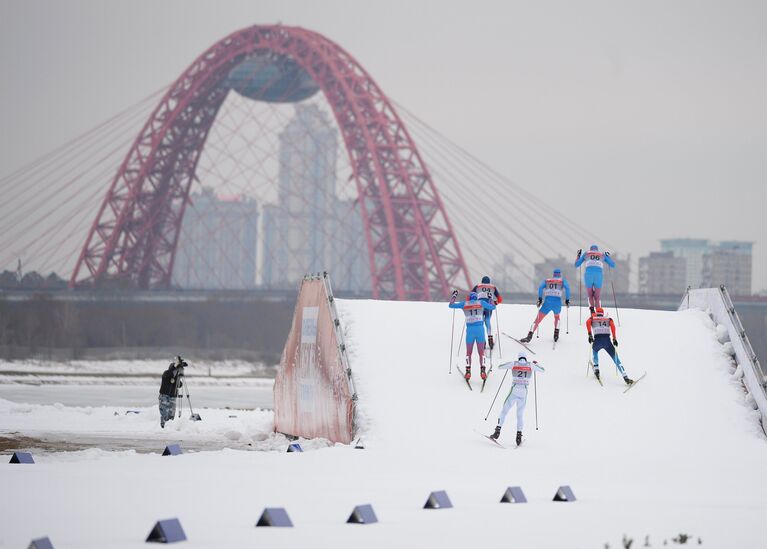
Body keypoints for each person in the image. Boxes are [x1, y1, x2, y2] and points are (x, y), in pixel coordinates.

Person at [490, 351, 544, 446]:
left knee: (504, 411)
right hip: (523, 392)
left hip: (514, 391)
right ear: (525, 358)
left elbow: (500, 366)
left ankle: (497, 431)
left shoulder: (514, 363)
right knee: (520, 414)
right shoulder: (530, 365)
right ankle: (518, 436)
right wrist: (537, 364)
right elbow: (542, 370)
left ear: (519, 358)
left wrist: (510, 365)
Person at [449, 290, 496, 380]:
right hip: (480, 330)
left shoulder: (464, 304)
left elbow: (451, 305)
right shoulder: (481, 302)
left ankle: (468, 372)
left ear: (469, 298)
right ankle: (483, 371)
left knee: (468, 353)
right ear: (476, 297)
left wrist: (454, 296)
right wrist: (490, 299)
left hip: (470, 330)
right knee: (481, 353)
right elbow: (493, 307)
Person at [520, 268, 571, 343]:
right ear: (560, 274)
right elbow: (567, 289)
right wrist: (567, 300)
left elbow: (540, 288)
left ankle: (529, 336)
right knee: (557, 317)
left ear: (553, 274)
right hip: (557, 303)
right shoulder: (562, 281)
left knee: (538, 319)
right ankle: (556, 334)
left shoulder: (547, 280)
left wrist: (540, 299)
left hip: (547, 302)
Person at [586, 308, 633, 385]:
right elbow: (613, 326)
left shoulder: (592, 318)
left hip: (597, 340)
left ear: (596, 313)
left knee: (595, 351)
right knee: (616, 359)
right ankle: (625, 376)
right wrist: (614, 338)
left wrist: (589, 334)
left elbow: (587, 322)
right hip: (607, 341)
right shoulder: (608, 318)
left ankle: (596, 368)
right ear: (603, 313)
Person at [574, 244, 616, 313]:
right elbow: (612, 265)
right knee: (597, 296)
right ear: (597, 249)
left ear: (591, 249)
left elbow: (576, 264)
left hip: (588, 275)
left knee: (590, 295)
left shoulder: (586, 254)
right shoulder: (602, 254)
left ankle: (592, 311)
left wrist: (578, 256)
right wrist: (608, 256)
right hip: (598, 276)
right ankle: (599, 312)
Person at [471, 276, 503, 349]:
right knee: (487, 321)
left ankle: (483, 341)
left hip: (479, 306)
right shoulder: (493, 287)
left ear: (482, 281)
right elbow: (500, 299)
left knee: (481, 323)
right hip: (488, 306)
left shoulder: (477, 286)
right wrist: (495, 303)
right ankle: (490, 338)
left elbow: (470, 296)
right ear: (489, 282)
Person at [158, 356, 185, 428]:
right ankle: (162, 427)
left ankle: (169, 428)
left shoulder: (176, 378)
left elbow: (180, 385)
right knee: (164, 414)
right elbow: (168, 374)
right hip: (164, 397)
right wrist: (175, 367)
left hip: (172, 397)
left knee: (171, 415)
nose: (176, 372)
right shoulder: (166, 374)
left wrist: (180, 375)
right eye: (175, 370)